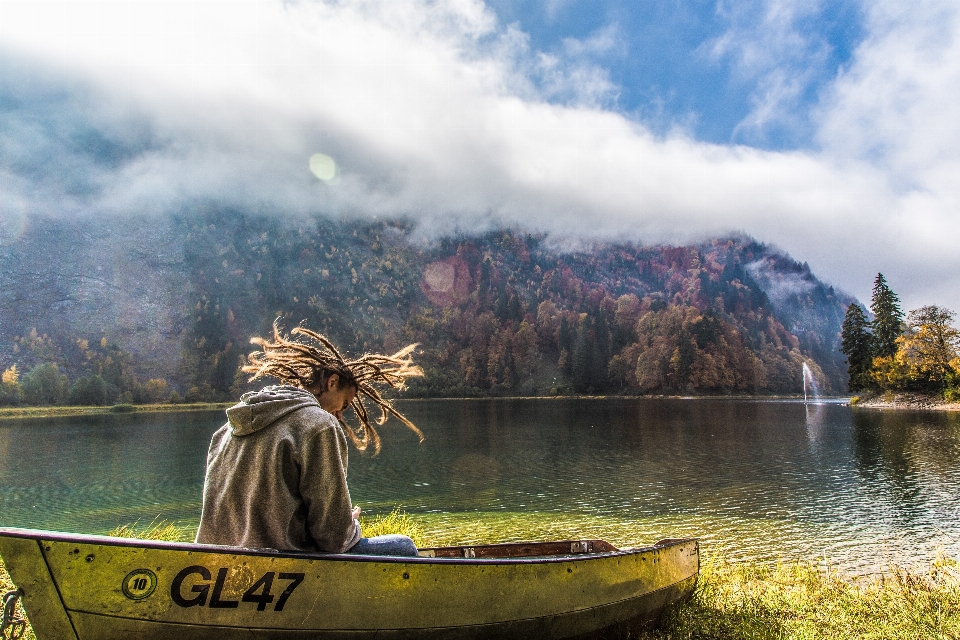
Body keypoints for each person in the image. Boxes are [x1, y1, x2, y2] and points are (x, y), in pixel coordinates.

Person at [195, 322, 424, 556]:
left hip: (216, 560)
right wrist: (350, 525)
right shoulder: (319, 425)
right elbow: (334, 538)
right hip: (281, 563)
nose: (339, 414)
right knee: (405, 548)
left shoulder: (227, 428)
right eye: (344, 403)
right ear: (332, 382)